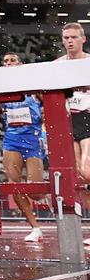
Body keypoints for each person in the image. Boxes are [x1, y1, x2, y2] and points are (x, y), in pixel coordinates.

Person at [0, 52, 45, 242]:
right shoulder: (1, 90)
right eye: (5, 61)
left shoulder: (34, 88)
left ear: (21, 64)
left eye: (12, 60)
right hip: (12, 140)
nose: (8, 63)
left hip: (33, 140)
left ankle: (48, 201)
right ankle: (35, 228)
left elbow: (49, 107)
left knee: (37, 192)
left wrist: (44, 130)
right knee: (14, 186)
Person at [55, 22, 90, 246]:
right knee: (79, 177)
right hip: (70, 120)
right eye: (66, 37)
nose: (69, 41)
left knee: (87, 172)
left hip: (88, 117)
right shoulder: (57, 65)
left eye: (73, 37)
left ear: (83, 39)